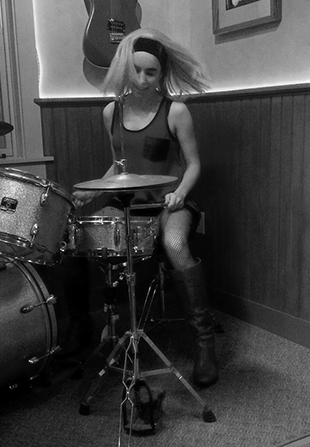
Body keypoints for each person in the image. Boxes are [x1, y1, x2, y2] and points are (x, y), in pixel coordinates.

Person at [67, 28, 218, 387]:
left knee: (175, 245)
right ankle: (110, 326)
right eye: (136, 70)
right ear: (125, 69)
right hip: (129, 202)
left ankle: (204, 341)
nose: (142, 79)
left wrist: (180, 193)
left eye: (151, 72)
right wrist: (93, 191)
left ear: (161, 74)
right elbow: (120, 166)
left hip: (170, 202)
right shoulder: (111, 112)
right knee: (90, 239)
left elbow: (194, 164)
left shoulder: (176, 111)